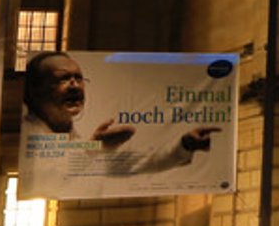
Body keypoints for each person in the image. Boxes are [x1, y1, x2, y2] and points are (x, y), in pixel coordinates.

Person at [22, 51, 218, 171]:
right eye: (62, 79)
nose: (75, 85)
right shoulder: (27, 135)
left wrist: (184, 145)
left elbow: (140, 161)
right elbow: (51, 173)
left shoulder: (81, 139)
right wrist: (96, 147)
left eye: (79, 78)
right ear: (36, 90)